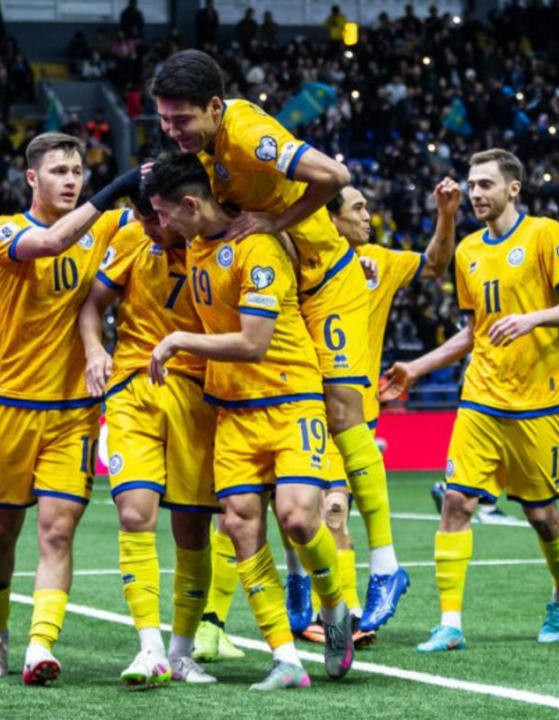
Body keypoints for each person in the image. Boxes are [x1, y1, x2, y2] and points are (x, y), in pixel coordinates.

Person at [152, 49, 410, 635]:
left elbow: (335, 176)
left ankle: (387, 565)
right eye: (164, 119)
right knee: (282, 457)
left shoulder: (247, 133)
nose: (172, 130)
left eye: (181, 119)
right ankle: (302, 583)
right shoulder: (204, 148)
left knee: (343, 413)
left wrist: (279, 221)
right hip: (293, 283)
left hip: (328, 280)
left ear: (214, 107)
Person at [144, 153, 354, 691]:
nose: (160, 225)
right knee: (239, 527)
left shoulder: (257, 248)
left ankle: (335, 609)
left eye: (164, 213)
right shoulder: (194, 242)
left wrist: (179, 340)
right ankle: (285, 658)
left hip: (290, 399)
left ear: (191, 205)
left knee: (299, 519)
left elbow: (253, 343)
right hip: (233, 409)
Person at [381, 149, 559, 652]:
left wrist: (533, 319)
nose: (476, 193)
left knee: (541, 516)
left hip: (540, 401)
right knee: (456, 501)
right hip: (481, 397)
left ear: (513, 189)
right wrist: (417, 367)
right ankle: (449, 623)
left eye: (485, 185)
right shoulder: (468, 251)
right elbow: (473, 332)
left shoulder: (544, 234)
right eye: (472, 185)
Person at [0, 132, 135, 685]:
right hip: (12, 406)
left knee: (58, 531)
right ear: (32, 178)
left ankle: (40, 646)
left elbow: (160, 220)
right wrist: (116, 189)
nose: (71, 180)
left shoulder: (106, 226)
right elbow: (51, 243)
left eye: (77, 171)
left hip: (74, 412)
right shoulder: (5, 230)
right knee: (3, 529)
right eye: (59, 171)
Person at [295, 181, 460, 647]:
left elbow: (435, 264)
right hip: (303, 407)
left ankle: (346, 611)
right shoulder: (300, 263)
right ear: (329, 219)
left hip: (354, 412)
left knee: (332, 509)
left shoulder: (380, 262)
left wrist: (446, 214)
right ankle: (342, 608)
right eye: (358, 208)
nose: (368, 216)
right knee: (320, 513)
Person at [78, 193, 219, 687]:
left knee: (193, 531)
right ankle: (150, 648)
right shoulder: (132, 239)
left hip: (199, 398)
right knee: (135, 514)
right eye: (142, 216)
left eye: (156, 217)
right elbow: (92, 306)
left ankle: (181, 653)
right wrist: (95, 350)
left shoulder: (218, 245)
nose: (149, 225)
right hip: (132, 391)